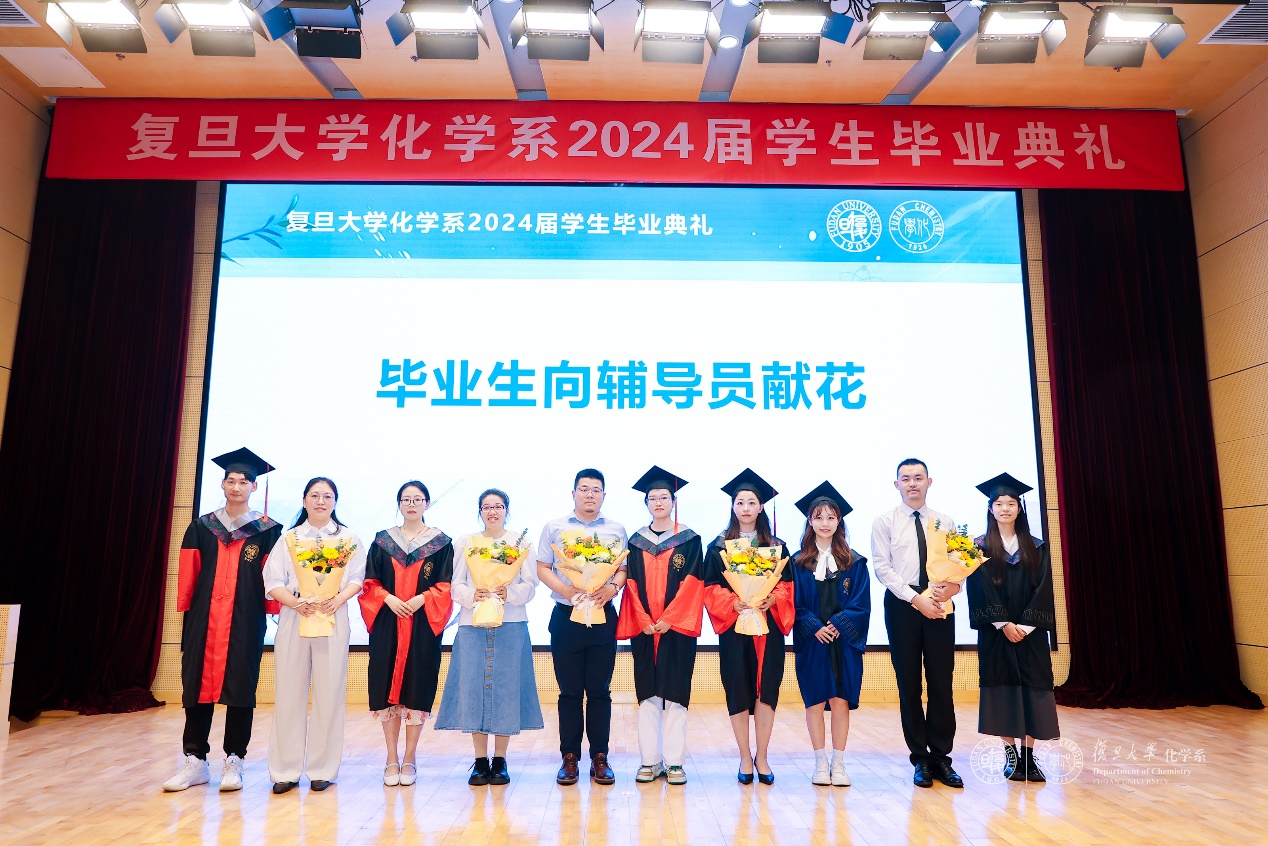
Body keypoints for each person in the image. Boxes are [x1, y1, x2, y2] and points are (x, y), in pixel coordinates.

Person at [164, 448, 284, 792]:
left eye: (243, 481)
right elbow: (190, 571)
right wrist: (188, 607)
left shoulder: (267, 531)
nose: (236, 486)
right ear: (222, 484)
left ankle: (235, 759)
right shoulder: (202, 526)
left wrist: (272, 609)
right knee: (196, 685)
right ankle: (195, 760)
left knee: (241, 686)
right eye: (231, 480)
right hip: (203, 618)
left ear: (254, 487)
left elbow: (272, 575)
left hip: (245, 617)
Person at [263, 477, 367, 794]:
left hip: (333, 615)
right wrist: (296, 603)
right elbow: (272, 581)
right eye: (314, 495)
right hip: (295, 615)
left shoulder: (349, 538)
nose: (321, 501)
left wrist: (337, 599)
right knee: (289, 692)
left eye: (327, 496)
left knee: (329, 693)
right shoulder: (289, 539)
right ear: (304, 500)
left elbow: (357, 578)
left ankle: (322, 768)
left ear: (335, 501)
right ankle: (285, 770)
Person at [435, 488, 543, 787]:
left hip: (511, 623)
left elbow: (531, 584)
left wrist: (511, 592)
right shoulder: (466, 542)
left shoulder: (521, 543)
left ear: (507, 510)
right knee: (473, 689)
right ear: (479, 511)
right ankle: (480, 760)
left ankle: (501, 760)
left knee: (506, 689)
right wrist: (473, 595)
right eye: (486, 507)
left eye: (498, 506)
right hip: (472, 625)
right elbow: (455, 584)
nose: (492, 512)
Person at [871, 458, 963, 788]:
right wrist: (915, 598)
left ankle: (941, 757)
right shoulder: (884, 521)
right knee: (908, 683)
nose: (912, 483)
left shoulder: (945, 521)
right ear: (896, 484)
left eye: (918, 477)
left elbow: (959, 565)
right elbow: (883, 568)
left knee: (941, 680)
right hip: (902, 605)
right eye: (906, 478)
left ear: (929, 482)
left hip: (939, 602)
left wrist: (952, 588)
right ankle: (920, 758)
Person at [965, 473, 1060, 783]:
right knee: (1002, 690)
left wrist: (1026, 625)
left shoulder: (1036, 546)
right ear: (990, 509)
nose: (1005, 508)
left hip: (1030, 633)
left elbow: (1044, 588)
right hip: (997, 633)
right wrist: (1003, 623)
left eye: (1011, 503)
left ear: (1019, 508)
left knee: (1033, 690)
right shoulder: (977, 548)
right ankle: (1011, 757)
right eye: (999, 503)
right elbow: (980, 589)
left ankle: (1030, 759)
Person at [358, 481, 454, 788]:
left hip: (422, 623)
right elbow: (370, 582)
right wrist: (388, 599)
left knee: (417, 685)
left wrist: (421, 599)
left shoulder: (440, 543)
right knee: (385, 682)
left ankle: (410, 758)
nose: (411, 504)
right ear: (399, 504)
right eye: (406, 499)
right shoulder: (383, 541)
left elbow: (446, 585)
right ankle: (391, 758)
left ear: (427, 503)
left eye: (417, 499)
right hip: (388, 621)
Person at [536, 468, 628, 786]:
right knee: (570, 692)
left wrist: (612, 588)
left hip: (602, 616)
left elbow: (622, 569)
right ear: (573, 493)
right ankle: (569, 758)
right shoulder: (555, 527)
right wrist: (567, 590)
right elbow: (543, 567)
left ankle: (600, 757)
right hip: (566, 617)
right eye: (584, 489)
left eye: (596, 489)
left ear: (604, 495)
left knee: (600, 691)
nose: (590, 494)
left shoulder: (616, 530)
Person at [702, 469, 795, 785]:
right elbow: (709, 587)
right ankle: (744, 756)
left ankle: (763, 756)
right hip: (735, 628)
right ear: (733, 506)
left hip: (768, 629)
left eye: (751, 502)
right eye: (740, 502)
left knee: (767, 688)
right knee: (738, 687)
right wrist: (732, 602)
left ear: (761, 507)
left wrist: (774, 599)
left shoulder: (777, 547)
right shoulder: (719, 547)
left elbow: (788, 586)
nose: (745, 508)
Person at [615, 466, 705, 786]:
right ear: (646, 503)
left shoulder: (690, 540)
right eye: (652, 498)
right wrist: (643, 620)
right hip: (645, 629)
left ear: (673, 501)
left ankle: (675, 762)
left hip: (676, 628)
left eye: (664, 497)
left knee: (677, 695)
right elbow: (631, 584)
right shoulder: (636, 541)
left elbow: (694, 582)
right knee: (648, 695)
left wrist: (671, 618)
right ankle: (650, 761)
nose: (658, 502)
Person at [791, 481, 871, 788]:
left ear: (839, 522)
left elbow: (861, 603)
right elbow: (793, 603)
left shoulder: (854, 562)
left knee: (840, 701)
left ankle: (838, 763)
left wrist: (838, 623)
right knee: (814, 701)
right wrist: (814, 626)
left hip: (843, 642)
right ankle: (820, 763)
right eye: (819, 517)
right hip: (813, 641)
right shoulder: (797, 563)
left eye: (831, 517)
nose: (825, 523)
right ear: (810, 521)